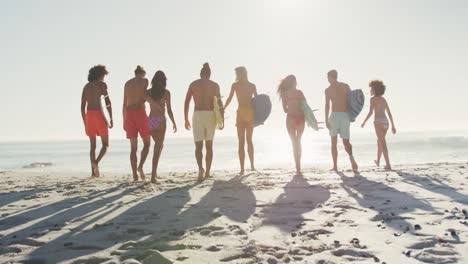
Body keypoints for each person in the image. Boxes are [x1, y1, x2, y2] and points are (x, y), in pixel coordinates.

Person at [184, 63, 224, 181]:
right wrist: (222, 120)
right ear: (209, 74)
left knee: (198, 146)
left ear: (201, 74)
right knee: (209, 146)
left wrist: (185, 119)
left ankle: (200, 168)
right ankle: (207, 172)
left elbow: (187, 102)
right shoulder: (215, 85)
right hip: (210, 115)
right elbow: (220, 103)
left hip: (197, 115)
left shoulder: (193, 84)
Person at [144, 70, 177, 183]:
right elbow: (169, 110)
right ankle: (153, 176)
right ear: (164, 81)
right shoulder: (166, 93)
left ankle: (153, 173)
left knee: (158, 146)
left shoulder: (148, 92)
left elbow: (140, 102)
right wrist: (174, 122)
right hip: (161, 120)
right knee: (158, 148)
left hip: (152, 120)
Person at [80, 65, 113, 177]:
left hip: (89, 116)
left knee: (92, 146)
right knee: (105, 145)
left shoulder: (86, 87)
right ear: (100, 74)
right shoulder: (102, 85)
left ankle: (93, 173)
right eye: (104, 75)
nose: (104, 77)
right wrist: (111, 119)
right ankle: (96, 162)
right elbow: (108, 103)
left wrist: (85, 122)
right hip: (99, 115)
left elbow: (82, 107)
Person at [224, 66, 257, 175]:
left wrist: (223, 108)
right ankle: (249, 167)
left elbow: (258, 102)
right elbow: (257, 103)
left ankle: (245, 168)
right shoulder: (251, 86)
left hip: (242, 114)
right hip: (249, 114)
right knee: (248, 140)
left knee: (243, 142)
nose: (236, 76)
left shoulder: (236, 85)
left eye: (237, 74)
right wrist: (223, 108)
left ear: (241, 74)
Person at [324, 69, 358, 172]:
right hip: (340, 116)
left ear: (331, 77)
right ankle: (339, 164)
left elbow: (351, 100)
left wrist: (326, 119)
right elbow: (351, 102)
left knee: (340, 142)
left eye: (328, 77)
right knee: (340, 142)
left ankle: (346, 162)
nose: (327, 79)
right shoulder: (343, 86)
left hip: (339, 116)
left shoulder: (331, 89)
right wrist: (352, 115)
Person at [123, 65, 151, 181]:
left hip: (128, 114)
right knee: (147, 143)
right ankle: (140, 167)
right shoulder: (145, 81)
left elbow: (124, 103)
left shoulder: (127, 83)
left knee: (133, 148)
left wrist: (124, 120)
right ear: (143, 73)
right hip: (140, 112)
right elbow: (144, 96)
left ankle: (134, 175)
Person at [361, 80, 396, 170]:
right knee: (379, 141)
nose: (370, 91)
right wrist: (393, 126)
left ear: (375, 90)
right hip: (386, 122)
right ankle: (378, 161)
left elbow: (370, 113)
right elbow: (389, 113)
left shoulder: (373, 99)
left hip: (378, 122)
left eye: (371, 89)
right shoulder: (384, 99)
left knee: (383, 143)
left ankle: (388, 164)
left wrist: (364, 122)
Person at [278, 75, 306, 176]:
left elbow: (285, 110)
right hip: (300, 119)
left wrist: (290, 105)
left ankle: (297, 168)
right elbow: (305, 107)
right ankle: (299, 168)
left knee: (294, 142)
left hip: (290, 118)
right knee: (298, 141)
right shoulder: (299, 93)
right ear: (294, 82)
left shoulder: (284, 94)